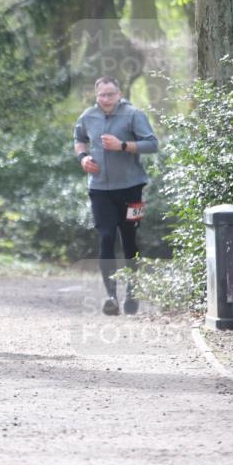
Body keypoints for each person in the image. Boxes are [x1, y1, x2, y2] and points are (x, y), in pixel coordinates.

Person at [74, 76, 158, 315]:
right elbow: (79, 140)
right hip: (99, 189)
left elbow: (152, 144)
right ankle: (111, 295)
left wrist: (123, 145)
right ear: (96, 95)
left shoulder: (134, 114)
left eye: (111, 94)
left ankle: (132, 292)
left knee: (130, 239)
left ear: (119, 94)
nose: (106, 99)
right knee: (106, 237)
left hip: (132, 188)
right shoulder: (87, 116)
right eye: (102, 95)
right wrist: (83, 158)